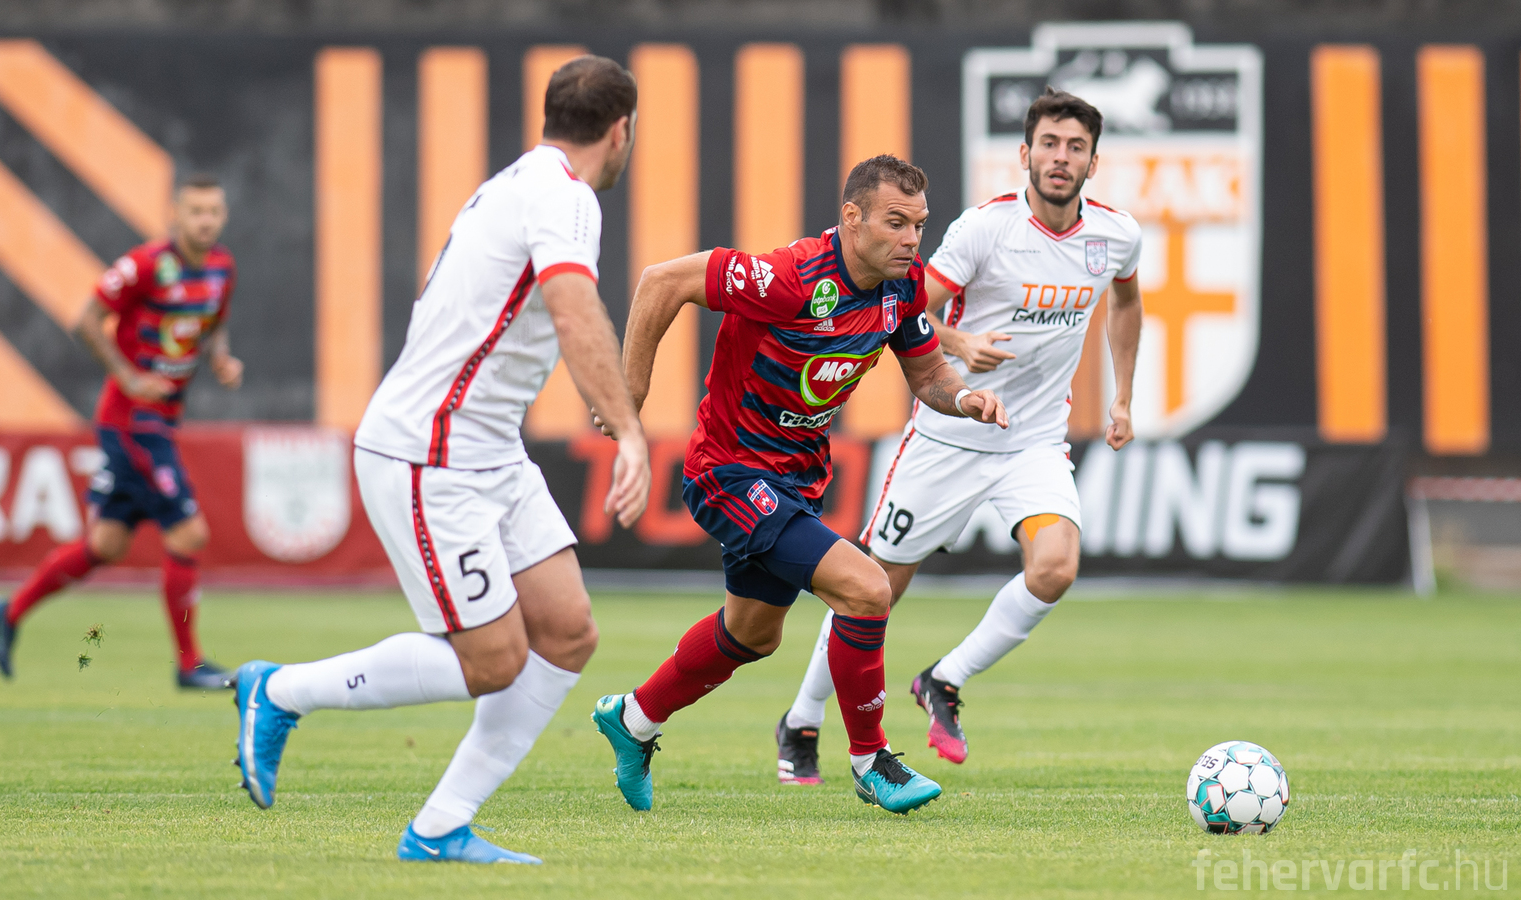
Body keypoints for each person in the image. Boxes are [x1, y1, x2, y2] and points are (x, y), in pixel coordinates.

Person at [229, 56, 651, 865]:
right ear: (621, 129)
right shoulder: (565, 196)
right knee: (493, 660)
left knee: (566, 631)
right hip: (432, 452)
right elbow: (573, 311)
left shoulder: (519, 182)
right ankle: (278, 691)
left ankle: (438, 828)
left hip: (486, 449)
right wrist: (630, 431)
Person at [590, 154, 1009, 816]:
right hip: (729, 471)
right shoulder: (790, 278)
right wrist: (629, 392)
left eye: (919, 225)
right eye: (896, 223)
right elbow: (661, 280)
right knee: (867, 589)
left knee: (752, 635)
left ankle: (633, 719)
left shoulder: (902, 287)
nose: (911, 240)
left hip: (796, 479)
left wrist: (966, 400)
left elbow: (930, 376)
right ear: (852, 217)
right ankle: (871, 762)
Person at [774, 88, 1143, 783]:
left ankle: (944, 679)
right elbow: (907, 309)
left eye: (1076, 147)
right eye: (1049, 144)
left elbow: (1126, 302)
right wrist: (960, 343)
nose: (1060, 158)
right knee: (873, 590)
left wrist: (1122, 395)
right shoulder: (985, 229)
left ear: (1093, 163)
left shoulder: (1116, 236)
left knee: (1056, 566)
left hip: (1033, 441)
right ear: (1025, 153)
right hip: (948, 436)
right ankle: (802, 717)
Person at [0, 174, 244, 690]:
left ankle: (8, 612)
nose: (206, 221)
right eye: (196, 211)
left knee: (106, 543)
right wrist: (127, 377)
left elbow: (213, 321)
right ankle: (189, 664)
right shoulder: (145, 265)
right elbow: (87, 319)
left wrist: (221, 359)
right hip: (132, 423)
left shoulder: (221, 267)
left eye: (214, 211)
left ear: (224, 215)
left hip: (161, 420)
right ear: (174, 215)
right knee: (190, 533)